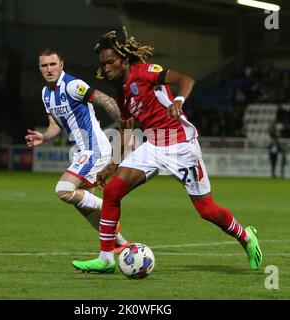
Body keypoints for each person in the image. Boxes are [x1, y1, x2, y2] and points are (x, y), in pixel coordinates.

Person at [72, 27, 263, 273]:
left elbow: (187, 80)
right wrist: (112, 165)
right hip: (153, 145)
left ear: (124, 58)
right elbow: (127, 129)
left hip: (181, 145)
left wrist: (178, 101)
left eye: (110, 62)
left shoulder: (145, 72)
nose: (106, 68)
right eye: (103, 64)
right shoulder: (121, 91)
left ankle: (245, 237)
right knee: (112, 192)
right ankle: (106, 259)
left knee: (206, 210)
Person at [25, 48, 131, 253]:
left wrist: (128, 126)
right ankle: (119, 243)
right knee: (82, 204)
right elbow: (55, 125)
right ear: (39, 68)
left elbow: (106, 100)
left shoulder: (73, 85)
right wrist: (44, 136)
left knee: (63, 190)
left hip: (95, 149)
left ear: (61, 65)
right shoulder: (46, 93)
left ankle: (108, 209)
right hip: (83, 151)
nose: (49, 69)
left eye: (53, 64)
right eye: (44, 66)